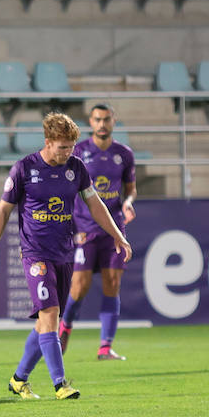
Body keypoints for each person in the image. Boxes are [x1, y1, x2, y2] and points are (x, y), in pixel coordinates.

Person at [0, 112, 132, 401]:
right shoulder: (24, 168)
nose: (68, 153)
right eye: (63, 147)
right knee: (50, 316)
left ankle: (18, 379)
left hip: (64, 253)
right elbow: (2, 211)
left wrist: (117, 235)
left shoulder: (76, 168)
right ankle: (60, 384)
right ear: (48, 142)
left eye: (71, 146)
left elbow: (95, 203)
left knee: (44, 324)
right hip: (35, 253)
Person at [59, 104, 137, 361]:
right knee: (79, 287)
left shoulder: (124, 154)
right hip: (85, 228)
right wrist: (72, 228)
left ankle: (105, 347)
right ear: (90, 123)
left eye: (106, 119)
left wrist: (128, 203)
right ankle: (65, 328)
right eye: (97, 119)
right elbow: (67, 191)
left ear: (113, 121)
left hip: (114, 229)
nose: (102, 124)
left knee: (112, 283)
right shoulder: (79, 152)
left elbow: (131, 189)